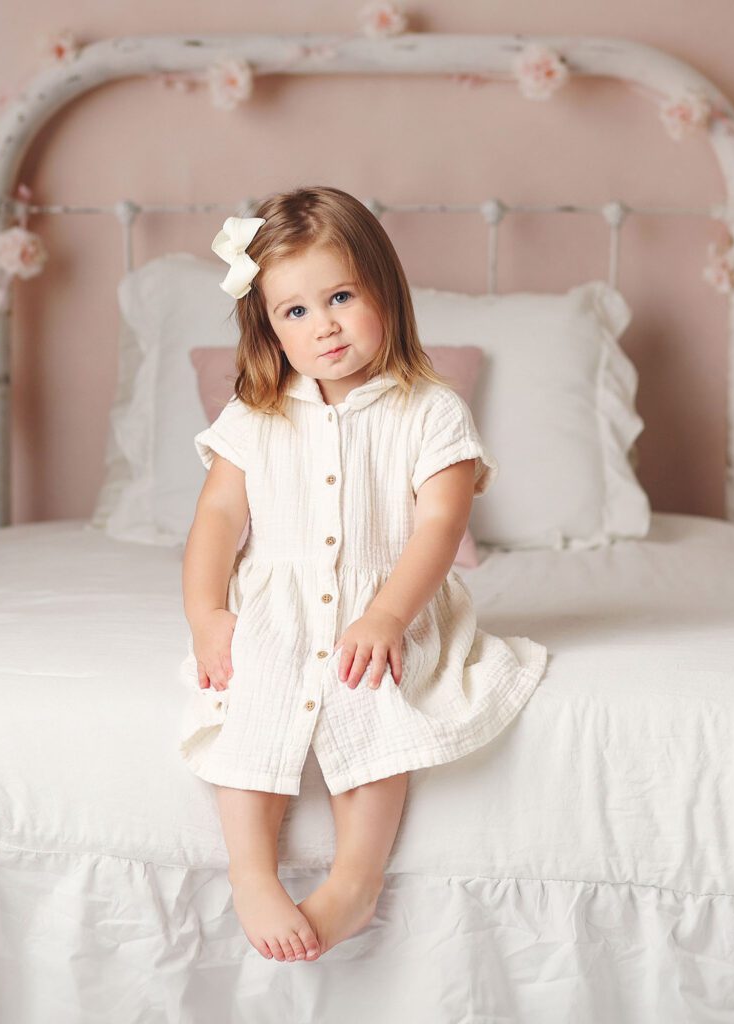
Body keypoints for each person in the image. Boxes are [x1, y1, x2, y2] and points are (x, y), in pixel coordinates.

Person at [178, 185, 548, 964]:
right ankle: (251, 873)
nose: (325, 326)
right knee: (253, 691)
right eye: (296, 312)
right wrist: (208, 616)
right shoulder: (257, 412)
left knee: (374, 697)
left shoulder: (431, 408)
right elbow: (216, 521)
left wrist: (385, 616)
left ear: (384, 287)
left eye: (341, 296)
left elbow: (440, 524)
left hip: (387, 603)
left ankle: (355, 877)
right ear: (269, 326)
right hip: (279, 605)